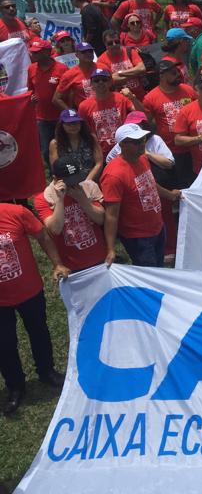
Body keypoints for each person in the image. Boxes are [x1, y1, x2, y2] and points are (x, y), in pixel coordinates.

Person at [0, 202, 68, 417]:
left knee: (39, 331)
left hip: (29, 290)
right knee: (4, 344)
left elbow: (43, 236)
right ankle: (15, 387)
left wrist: (57, 263)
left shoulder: (16, 213)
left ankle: (46, 371)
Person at [101, 123, 180, 267]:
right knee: (148, 273)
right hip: (138, 237)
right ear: (122, 144)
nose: (142, 144)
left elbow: (150, 183)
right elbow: (111, 215)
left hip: (157, 226)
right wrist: (110, 249)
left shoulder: (142, 159)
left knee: (158, 268)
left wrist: (170, 195)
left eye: (143, 140)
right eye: (136, 142)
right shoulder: (113, 175)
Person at [33, 156, 107, 273]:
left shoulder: (88, 186)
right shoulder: (44, 198)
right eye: (69, 182)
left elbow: (102, 219)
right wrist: (59, 200)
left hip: (100, 258)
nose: (75, 184)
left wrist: (82, 200)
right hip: (71, 266)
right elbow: (55, 229)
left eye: (76, 179)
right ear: (55, 179)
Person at [142, 59, 198, 187]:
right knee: (181, 186)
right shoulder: (150, 98)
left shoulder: (188, 90)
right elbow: (147, 123)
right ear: (161, 76)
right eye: (173, 73)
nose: (178, 74)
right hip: (172, 151)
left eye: (177, 71)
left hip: (194, 146)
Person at [76, 69, 140, 155]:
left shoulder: (121, 98)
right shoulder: (84, 106)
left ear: (110, 82)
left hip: (124, 148)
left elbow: (140, 114)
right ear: (91, 84)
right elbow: (83, 131)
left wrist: (132, 98)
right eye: (96, 80)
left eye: (104, 80)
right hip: (101, 151)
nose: (101, 82)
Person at [27, 39, 67, 160]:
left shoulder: (62, 69)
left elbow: (69, 92)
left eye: (36, 52)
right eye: (32, 52)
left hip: (60, 117)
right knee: (45, 150)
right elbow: (30, 89)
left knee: (63, 147)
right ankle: (52, 170)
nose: (33, 54)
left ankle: (65, 169)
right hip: (41, 118)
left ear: (47, 52)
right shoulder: (31, 69)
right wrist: (31, 96)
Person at [49, 108, 102, 182]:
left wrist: (87, 181)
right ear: (62, 125)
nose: (73, 126)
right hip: (67, 182)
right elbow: (56, 169)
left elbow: (99, 163)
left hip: (90, 180)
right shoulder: (55, 144)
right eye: (69, 124)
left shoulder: (91, 138)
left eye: (76, 123)